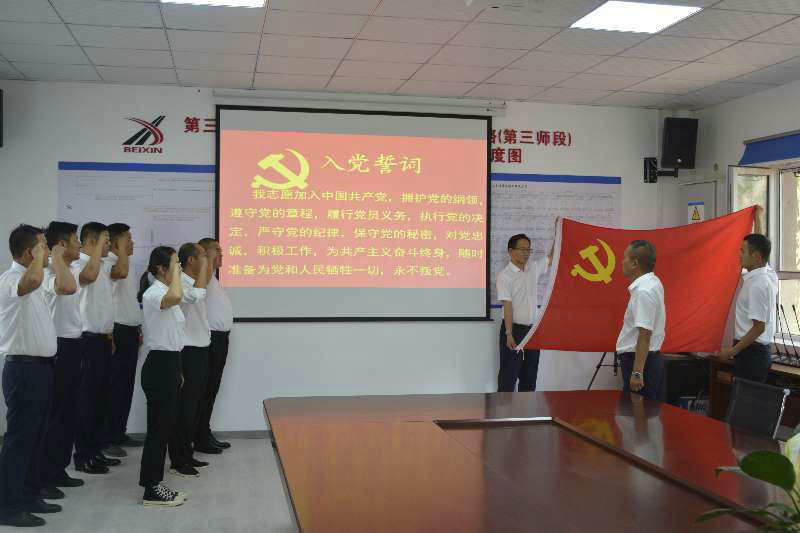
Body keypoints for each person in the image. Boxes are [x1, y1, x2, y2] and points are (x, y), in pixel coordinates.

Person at [0, 226, 62, 527]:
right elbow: (31, 281)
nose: (48, 251)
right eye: (43, 247)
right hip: (23, 371)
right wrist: (39, 258)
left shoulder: (35, 279)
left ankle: (30, 494)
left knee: (37, 437)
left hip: (41, 369)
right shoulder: (11, 279)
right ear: (29, 253)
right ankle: (9, 507)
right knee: (20, 440)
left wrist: (43, 257)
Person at [40, 222, 86, 495]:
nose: (79, 244)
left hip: (73, 346)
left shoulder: (67, 269)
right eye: (75, 239)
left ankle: (58, 469)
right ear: (61, 245)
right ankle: (45, 475)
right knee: (56, 416)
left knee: (68, 413)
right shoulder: (49, 272)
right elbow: (66, 288)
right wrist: (55, 256)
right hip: (59, 348)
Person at [138, 246, 186, 507]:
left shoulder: (164, 291)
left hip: (170, 364)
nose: (179, 268)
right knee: (158, 430)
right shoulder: (154, 293)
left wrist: (178, 370)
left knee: (164, 428)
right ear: (161, 269)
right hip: (159, 366)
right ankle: (151, 488)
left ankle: (155, 483)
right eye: (176, 264)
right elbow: (176, 295)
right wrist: (177, 274)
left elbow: (173, 336)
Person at [73, 222, 121, 474]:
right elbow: (88, 278)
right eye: (105, 240)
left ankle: (95, 450)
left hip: (102, 339)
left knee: (101, 400)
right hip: (88, 341)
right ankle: (83, 456)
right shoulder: (81, 264)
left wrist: (110, 336)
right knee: (87, 401)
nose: (109, 246)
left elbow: (104, 306)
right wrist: (94, 252)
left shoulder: (100, 265)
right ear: (91, 242)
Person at [720, 207, 778, 382]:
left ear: (756, 257)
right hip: (751, 351)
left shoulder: (758, 285)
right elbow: (760, 243)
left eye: (742, 252)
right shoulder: (766, 273)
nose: (739, 255)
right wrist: (758, 217)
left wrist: (732, 351)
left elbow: (759, 327)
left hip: (752, 354)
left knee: (745, 398)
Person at [168, 243, 210, 477]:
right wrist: (205, 268)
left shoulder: (194, 281)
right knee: (184, 408)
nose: (206, 259)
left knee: (193, 407)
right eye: (202, 255)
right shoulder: (180, 282)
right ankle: (178, 459)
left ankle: (187, 453)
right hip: (187, 351)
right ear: (191, 260)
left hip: (200, 349)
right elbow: (195, 297)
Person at [102, 223, 143, 457]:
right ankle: (107, 438)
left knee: (126, 385)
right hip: (116, 331)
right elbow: (120, 274)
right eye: (128, 240)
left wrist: (138, 326)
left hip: (130, 330)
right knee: (113, 386)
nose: (133, 243)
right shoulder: (110, 263)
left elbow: (130, 300)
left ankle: (119, 432)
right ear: (116, 243)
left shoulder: (128, 264)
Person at [496, 232, 552, 392]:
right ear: (510, 251)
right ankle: (503, 407)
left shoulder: (533, 268)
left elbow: (551, 258)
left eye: (528, 249)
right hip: (514, 330)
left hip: (532, 331)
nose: (526, 253)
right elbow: (507, 307)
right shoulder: (504, 276)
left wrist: (559, 230)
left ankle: (526, 406)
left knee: (530, 374)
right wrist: (509, 333)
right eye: (522, 249)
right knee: (508, 375)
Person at [194, 238, 233, 453]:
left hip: (220, 339)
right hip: (211, 340)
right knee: (205, 390)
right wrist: (207, 259)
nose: (221, 253)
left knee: (211, 389)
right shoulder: (204, 275)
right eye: (217, 250)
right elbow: (205, 276)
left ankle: (204, 432)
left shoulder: (213, 279)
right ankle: (199, 437)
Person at [616, 240, 666, 400]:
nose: (622, 262)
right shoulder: (653, 282)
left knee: (638, 411)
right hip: (646, 359)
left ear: (635, 263)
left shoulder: (644, 291)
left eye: (625, 257)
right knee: (643, 411)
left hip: (640, 361)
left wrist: (637, 372)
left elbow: (645, 334)